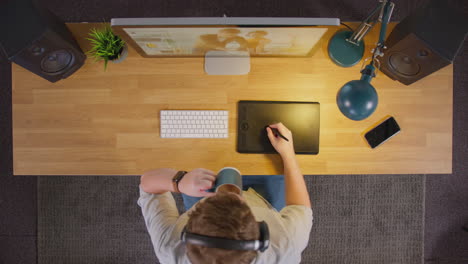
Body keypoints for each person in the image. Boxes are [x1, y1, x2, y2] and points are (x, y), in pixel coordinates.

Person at [139, 123, 313, 263]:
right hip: (265, 200)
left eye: (216, 199)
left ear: (187, 230)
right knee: (278, 169)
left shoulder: (171, 250)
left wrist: (179, 182)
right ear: (261, 233)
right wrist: (288, 154)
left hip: (201, 190)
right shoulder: (284, 246)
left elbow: (148, 186)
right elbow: (300, 206)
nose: (229, 190)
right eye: (240, 201)